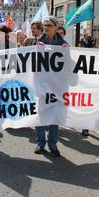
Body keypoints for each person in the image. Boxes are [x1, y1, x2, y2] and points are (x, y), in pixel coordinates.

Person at [35, 16, 69, 157]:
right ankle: (40, 143)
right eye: (45, 25)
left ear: (56, 27)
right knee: (41, 114)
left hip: (57, 87)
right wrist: (37, 50)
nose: (46, 27)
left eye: (49, 25)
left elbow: (69, 65)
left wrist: (67, 52)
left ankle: (53, 144)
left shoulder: (63, 44)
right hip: (42, 85)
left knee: (55, 116)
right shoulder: (37, 42)